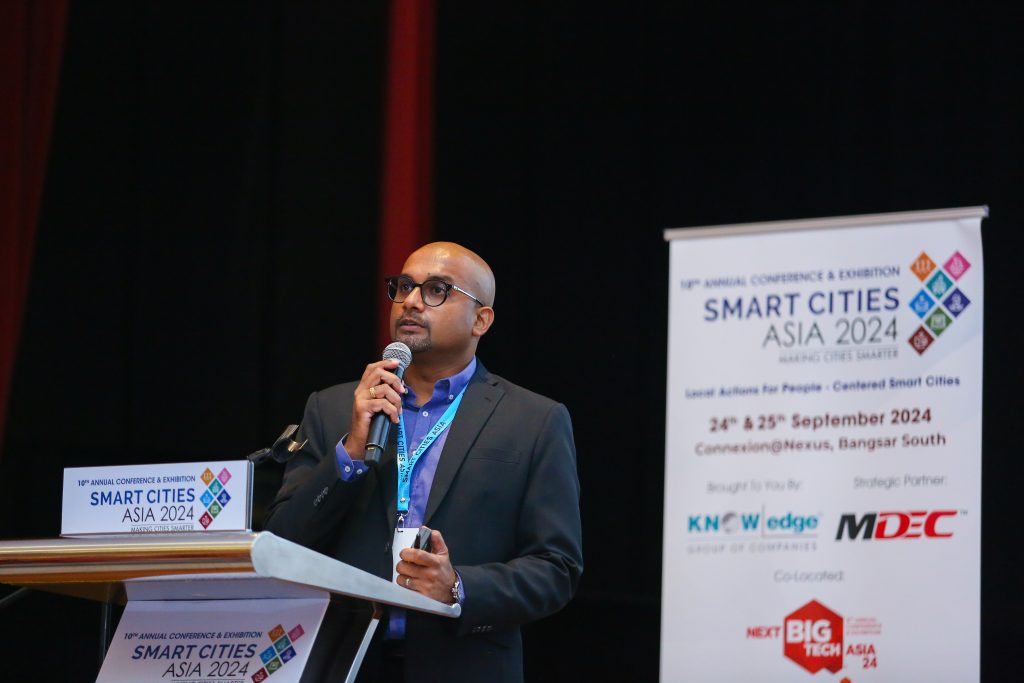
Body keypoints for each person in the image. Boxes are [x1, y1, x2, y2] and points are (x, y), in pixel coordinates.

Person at [263, 242, 583, 683]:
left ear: (481, 320)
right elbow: (281, 544)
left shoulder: (533, 420)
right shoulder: (336, 408)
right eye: (403, 287)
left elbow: (556, 567)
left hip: (462, 664)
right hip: (341, 662)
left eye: (436, 290)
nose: (411, 301)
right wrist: (350, 452)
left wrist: (459, 587)